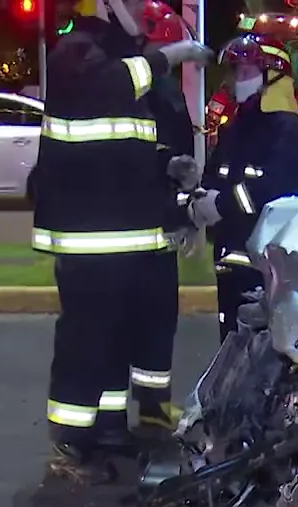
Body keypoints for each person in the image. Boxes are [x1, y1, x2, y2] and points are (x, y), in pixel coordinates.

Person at [31, 0, 210, 482]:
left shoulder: (111, 55)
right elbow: (108, 88)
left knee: (113, 341)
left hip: (121, 236)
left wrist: (166, 168)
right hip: (89, 239)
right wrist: (166, 57)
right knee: (85, 343)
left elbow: (120, 154)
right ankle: (70, 441)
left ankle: (109, 428)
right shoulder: (77, 52)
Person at [188, 33, 298, 341]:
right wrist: (196, 206)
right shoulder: (236, 126)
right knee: (230, 341)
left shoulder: (289, 131)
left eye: (246, 72)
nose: (236, 80)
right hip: (230, 261)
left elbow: (269, 190)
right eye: (235, 72)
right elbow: (214, 176)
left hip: (268, 267)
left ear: (272, 76)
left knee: (263, 351)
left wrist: (220, 205)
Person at [135, 0, 198, 439]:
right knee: (154, 322)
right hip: (151, 227)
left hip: (140, 226)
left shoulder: (144, 91)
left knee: (144, 324)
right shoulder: (159, 94)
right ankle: (152, 411)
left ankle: (148, 409)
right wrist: (182, 216)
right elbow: (168, 161)